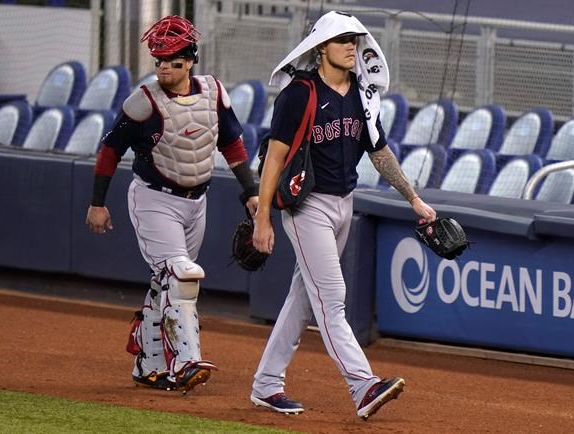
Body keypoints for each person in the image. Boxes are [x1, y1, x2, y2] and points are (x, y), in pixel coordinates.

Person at [250, 11, 436, 419]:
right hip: (307, 207)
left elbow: (379, 151)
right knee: (331, 298)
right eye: (342, 40)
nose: (351, 45)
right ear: (321, 48)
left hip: (344, 204)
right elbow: (275, 158)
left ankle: (266, 384)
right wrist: (262, 217)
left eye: (354, 39)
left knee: (303, 297)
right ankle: (363, 384)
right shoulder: (299, 93)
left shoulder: (362, 92)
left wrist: (414, 200)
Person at [86, 15, 259, 394]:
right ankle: (185, 361)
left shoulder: (213, 93)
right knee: (181, 276)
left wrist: (251, 191)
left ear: (190, 61)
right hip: (153, 199)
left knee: (166, 283)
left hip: (197, 201)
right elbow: (110, 151)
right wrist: (98, 203)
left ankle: (148, 364)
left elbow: (232, 143)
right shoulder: (143, 102)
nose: (164, 67)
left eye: (172, 61)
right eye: (159, 61)